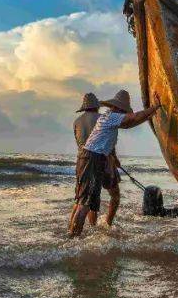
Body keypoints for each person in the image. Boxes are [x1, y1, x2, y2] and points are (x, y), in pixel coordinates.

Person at [68, 90, 161, 237]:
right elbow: (134, 117)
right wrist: (155, 106)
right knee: (85, 204)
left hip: (92, 158)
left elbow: (131, 123)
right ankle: (72, 240)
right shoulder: (110, 117)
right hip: (92, 159)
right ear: (118, 108)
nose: (124, 114)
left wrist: (151, 114)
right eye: (124, 111)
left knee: (85, 201)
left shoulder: (107, 118)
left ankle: (75, 235)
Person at [70, 92, 120, 227]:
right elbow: (109, 143)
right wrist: (115, 159)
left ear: (84, 107)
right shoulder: (102, 119)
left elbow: (80, 144)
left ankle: (81, 227)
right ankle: (108, 223)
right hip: (103, 161)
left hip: (82, 162)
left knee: (82, 199)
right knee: (115, 195)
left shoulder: (77, 122)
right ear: (97, 106)